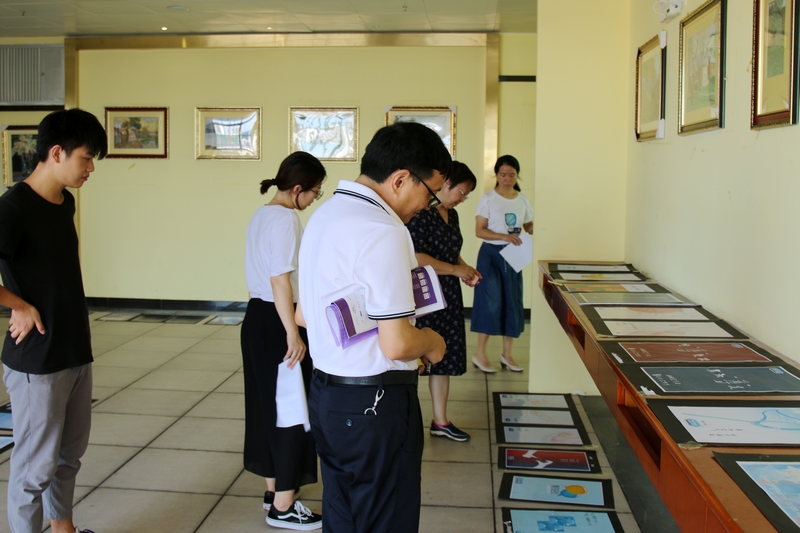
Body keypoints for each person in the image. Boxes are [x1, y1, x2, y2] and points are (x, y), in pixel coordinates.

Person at [296, 121, 451, 533]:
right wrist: (432, 341)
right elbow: (397, 344)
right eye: (430, 193)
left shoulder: (325, 215)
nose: (428, 205)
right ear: (401, 179)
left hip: (327, 396)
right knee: (385, 519)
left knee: (343, 515)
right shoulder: (384, 230)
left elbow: (305, 316)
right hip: (375, 407)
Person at [0, 109, 107, 533]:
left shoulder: (65, 202)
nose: (90, 168)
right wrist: (18, 305)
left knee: (68, 457)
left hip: (74, 349)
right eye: (86, 158)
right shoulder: (12, 208)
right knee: (33, 470)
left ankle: (64, 529)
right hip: (37, 360)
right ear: (57, 152)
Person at [241, 152, 326, 531]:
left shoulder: (262, 214)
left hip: (257, 318)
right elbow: (280, 280)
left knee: (267, 408)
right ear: (297, 189)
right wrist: (293, 331)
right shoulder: (286, 219)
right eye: (314, 192)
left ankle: (273, 490)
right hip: (279, 321)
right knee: (292, 408)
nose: (313, 200)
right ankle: (284, 506)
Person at [406, 161, 481, 442]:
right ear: (446, 183)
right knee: (417, 358)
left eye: (466, 195)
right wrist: (454, 269)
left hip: (448, 294)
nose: (462, 199)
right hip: (424, 295)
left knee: (443, 357)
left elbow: (451, 251)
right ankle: (407, 421)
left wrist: (465, 268)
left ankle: (440, 421)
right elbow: (417, 257)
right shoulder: (422, 213)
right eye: (462, 192)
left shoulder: (453, 215)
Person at [470, 154, 533, 373]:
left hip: (514, 255)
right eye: (503, 174)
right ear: (496, 175)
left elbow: (528, 225)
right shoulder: (488, 199)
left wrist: (536, 230)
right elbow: (480, 231)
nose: (507, 179)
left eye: (512, 175)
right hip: (491, 255)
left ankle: (507, 354)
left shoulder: (522, 200)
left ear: (517, 175)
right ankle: (480, 353)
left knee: (512, 302)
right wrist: (503, 236)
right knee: (490, 301)